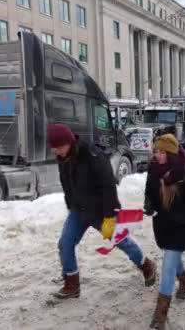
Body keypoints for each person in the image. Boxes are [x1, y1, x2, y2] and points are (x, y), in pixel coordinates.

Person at [48, 124, 157, 300]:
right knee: (65, 244)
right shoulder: (63, 158)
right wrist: (71, 204)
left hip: (101, 212)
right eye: (54, 149)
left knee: (121, 241)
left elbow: (108, 187)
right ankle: (71, 284)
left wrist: (110, 216)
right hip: (79, 210)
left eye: (59, 148)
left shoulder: (93, 156)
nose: (57, 152)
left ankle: (146, 265)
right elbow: (67, 184)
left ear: (69, 142)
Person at [144, 134, 185, 329]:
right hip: (162, 225)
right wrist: (148, 205)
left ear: (172, 153)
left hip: (181, 227)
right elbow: (148, 194)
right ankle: (183, 278)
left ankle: (160, 316)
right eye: (156, 151)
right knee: (172, 260)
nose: (158, 155)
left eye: (163, 152)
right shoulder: (153, 171)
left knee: (167, 267)